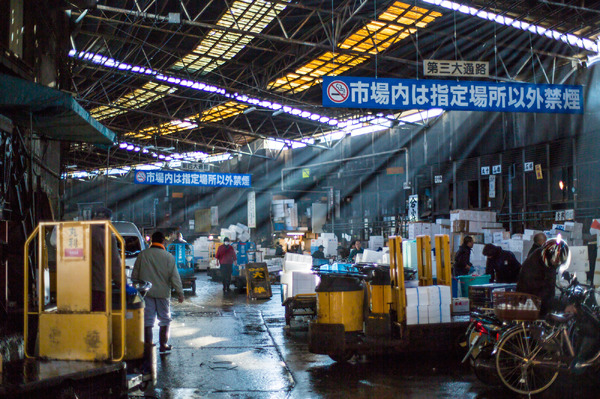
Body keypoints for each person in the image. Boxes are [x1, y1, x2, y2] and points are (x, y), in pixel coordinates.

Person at [132, 231, 184, 353]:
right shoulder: (168, 257)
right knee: (165, 319)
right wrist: (180, 293)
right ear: (163, 242)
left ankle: (148, 346)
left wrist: (136, 290)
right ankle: (163, 345)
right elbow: (174, 277)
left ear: (151, 241)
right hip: (163, 294)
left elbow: (135, 275)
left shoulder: (143, 255)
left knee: (148, 320)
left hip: (146, 293)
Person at [517, 238, 568, 316]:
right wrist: (562, 306)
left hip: (537, 305)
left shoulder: (546, 260)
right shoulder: (536, 264)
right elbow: (540, 294)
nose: (558, 263)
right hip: (531, 307)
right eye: (557, 260)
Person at [91, 207, 122, 311]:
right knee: (99, 318)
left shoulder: (80, 231)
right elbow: (115, 265)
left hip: (76, 287)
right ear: (107, 219)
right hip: (98, 286)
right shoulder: (107, 236)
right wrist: (123, 284)